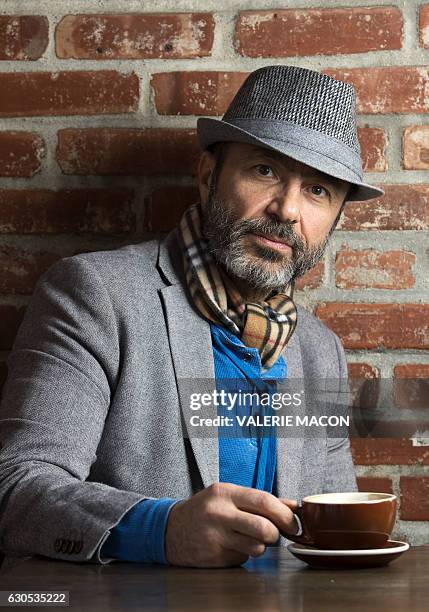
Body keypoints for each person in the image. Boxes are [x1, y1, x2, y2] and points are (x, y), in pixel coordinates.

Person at [0, 65, 383, 568]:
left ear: (334, 217)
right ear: (208, 176)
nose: (288, 209)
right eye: (265, 170)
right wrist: (160, 529)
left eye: (318, 191)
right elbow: (17, 487)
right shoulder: (95, 294)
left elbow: (333, 523)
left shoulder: (319, 350)